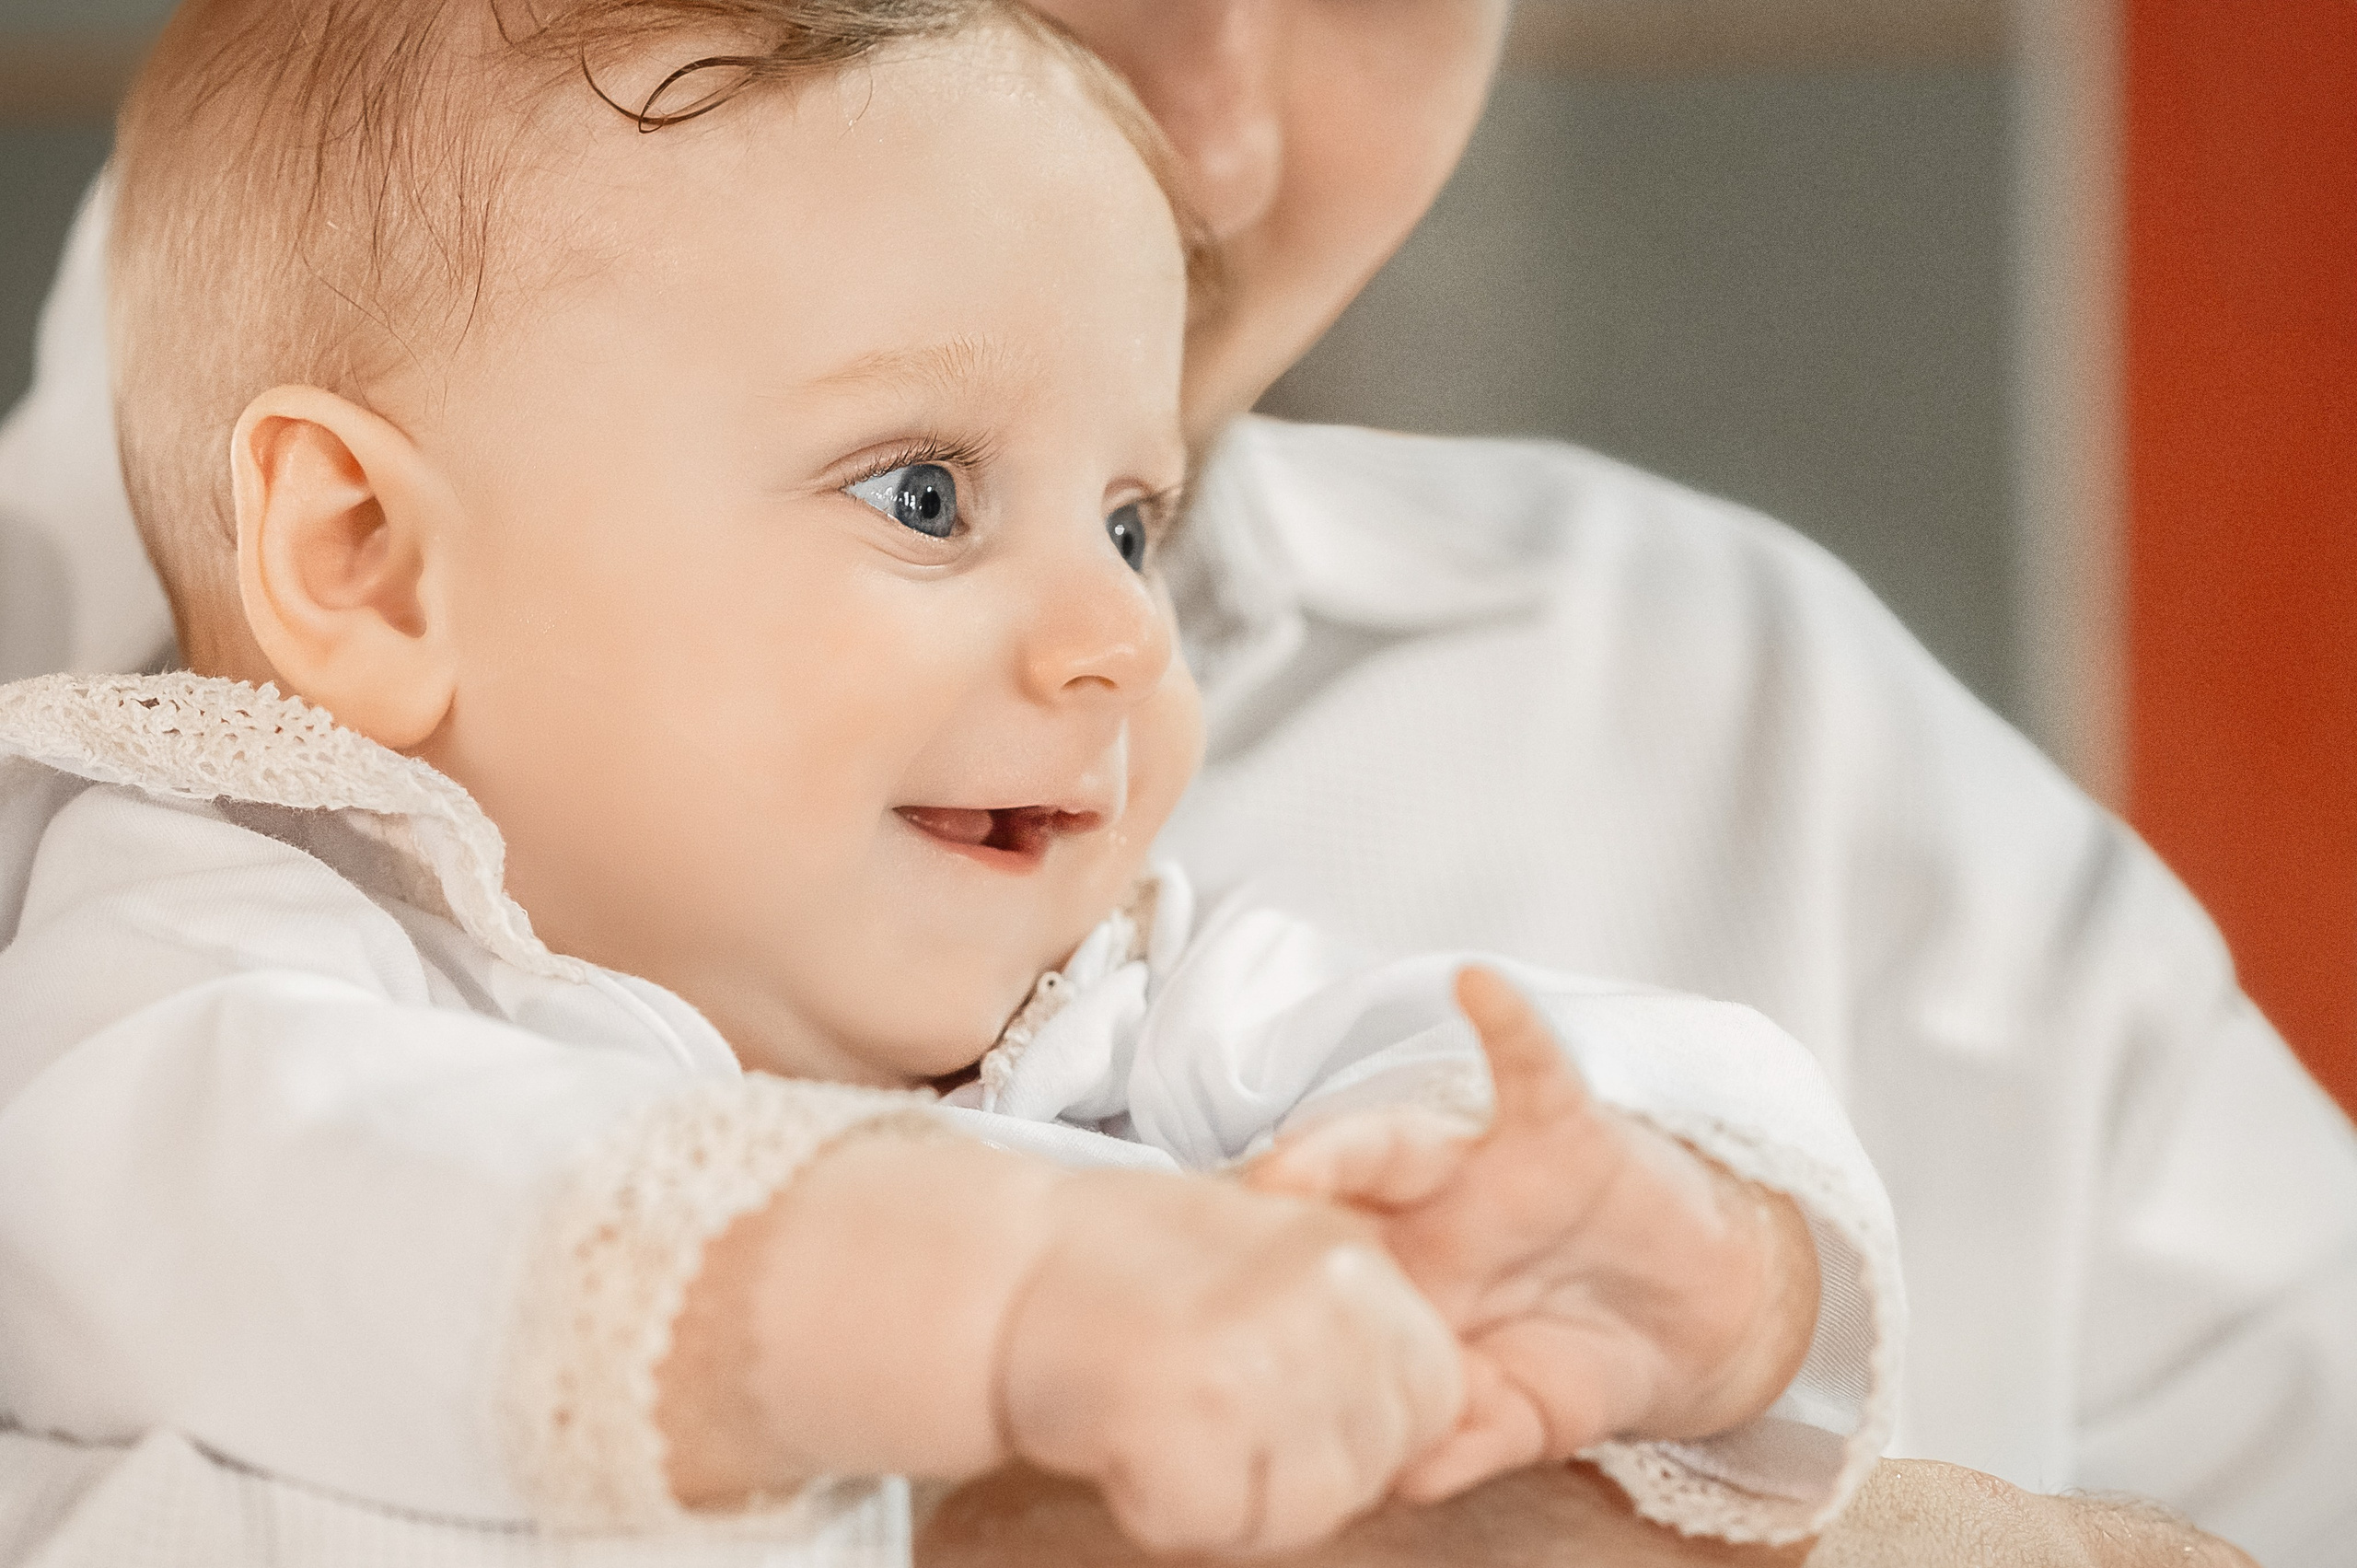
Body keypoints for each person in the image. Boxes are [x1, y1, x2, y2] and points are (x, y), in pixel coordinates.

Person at [0, 2, 2347, 1566]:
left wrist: (1691, 1251)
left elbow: (1423, 1055)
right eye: (920, 492)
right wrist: (1024, 1290)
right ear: (363, 559)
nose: (1114, 629)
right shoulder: (226, 925)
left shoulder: (1103, 963)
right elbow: (315, 1197)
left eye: (1132, 520)